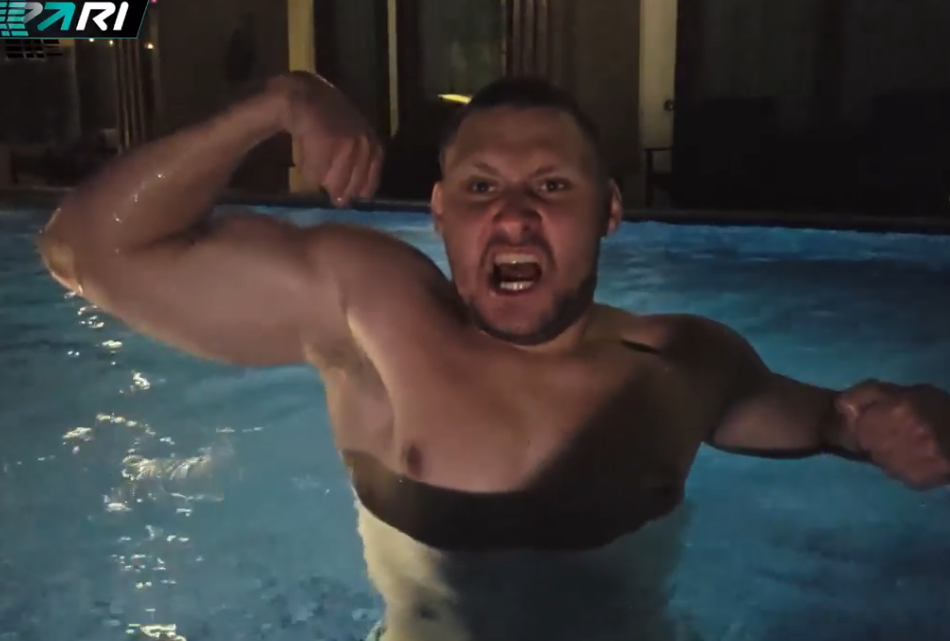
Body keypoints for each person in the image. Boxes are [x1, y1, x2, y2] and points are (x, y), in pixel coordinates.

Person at [38, 72, 950, 641]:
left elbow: (838, 420)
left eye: (550, 185)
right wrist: (275, 104)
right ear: (439, 213)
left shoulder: (681, 362)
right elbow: (85, 249)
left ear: (609, 210)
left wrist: (910, 418)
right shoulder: (370, 318)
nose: (513, 215)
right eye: (481, 188)